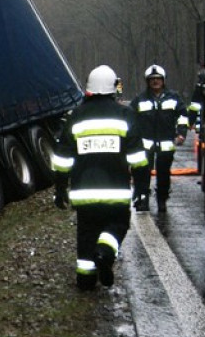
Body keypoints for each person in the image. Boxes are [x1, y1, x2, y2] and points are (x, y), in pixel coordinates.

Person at [52, 65, 148, 290]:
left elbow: (62, 159)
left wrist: (59, 189)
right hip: (116, 192)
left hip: (83, 193)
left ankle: (85, 279)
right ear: (113, 88)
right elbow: (138, 159)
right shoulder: (125, 115)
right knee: (118, 224)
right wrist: (143, 189)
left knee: (86, 232)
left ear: (89, 88)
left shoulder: (75, 117)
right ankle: (105, 252)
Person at [129, 64, 189, 212]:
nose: (155, 82)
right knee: (142, 173)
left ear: (163, 80)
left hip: (166, 143)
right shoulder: (140, 99)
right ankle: (142, 199)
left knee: (164, 174)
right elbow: (131, 119)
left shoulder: (174, 98)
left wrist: (181, 133)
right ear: (147, 82)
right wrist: (133, 139)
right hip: (145, 144)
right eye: (152, 79)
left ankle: (162, 199)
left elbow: (182, 116)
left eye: (158, 79)